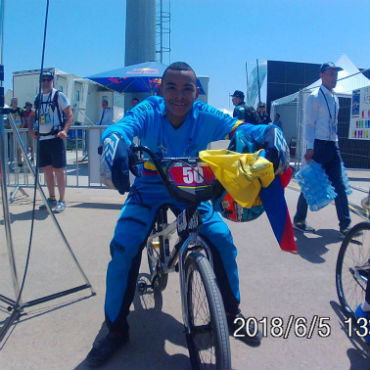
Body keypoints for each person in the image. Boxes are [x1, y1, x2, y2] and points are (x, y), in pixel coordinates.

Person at [86, 62, 288, 367]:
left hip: (189, 179)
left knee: (221, 238)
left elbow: (242, 128)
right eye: (172, 88)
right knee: (124, 245)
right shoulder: (149, 110)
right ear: (160, 90)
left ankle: (232, 315)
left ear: (197, 92)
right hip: (151, 182)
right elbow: (122, 128)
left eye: (187, 89)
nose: (179, 95)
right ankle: (115, 329)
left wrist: (269, 133)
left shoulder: (205, 114)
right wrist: (115, 142)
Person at [293, 62, 351, 237]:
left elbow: (333, 124)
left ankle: (345, 226)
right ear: (322, 76)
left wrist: (336, 144)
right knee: (311, 182)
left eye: (336, 74)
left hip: (332, 145)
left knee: (339, 185)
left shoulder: (335, 98)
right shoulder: (315, 96)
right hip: (318, 146)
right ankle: (300, 219)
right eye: (331, 74)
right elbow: (309, 125)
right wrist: (310, 147)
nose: (334, 77)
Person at [29, 71, 73, 213]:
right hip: (43, 140)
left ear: (52, 81)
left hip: (56, 139)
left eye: (48, 79)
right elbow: (32, 115)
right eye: (43, 80)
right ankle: (52, 198)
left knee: (59, 170)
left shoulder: (58, 96)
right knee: (47, 170)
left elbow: (69, 113)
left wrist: (65, 130)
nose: (46, 82)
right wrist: (31, 130)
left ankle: (62, 200)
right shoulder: (38, 98)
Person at [8, 97, 25, 167]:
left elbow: (23, 121)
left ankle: (20, 163)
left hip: (19, 132)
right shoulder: (8, 110)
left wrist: (21, 130)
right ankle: (12, 163)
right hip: (12, 132)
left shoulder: (20, 110)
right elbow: (9, 122)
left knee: (19, 148)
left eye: (16, 101)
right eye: (14, 101)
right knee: (12, 148)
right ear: (11, 102)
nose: (15, 103)